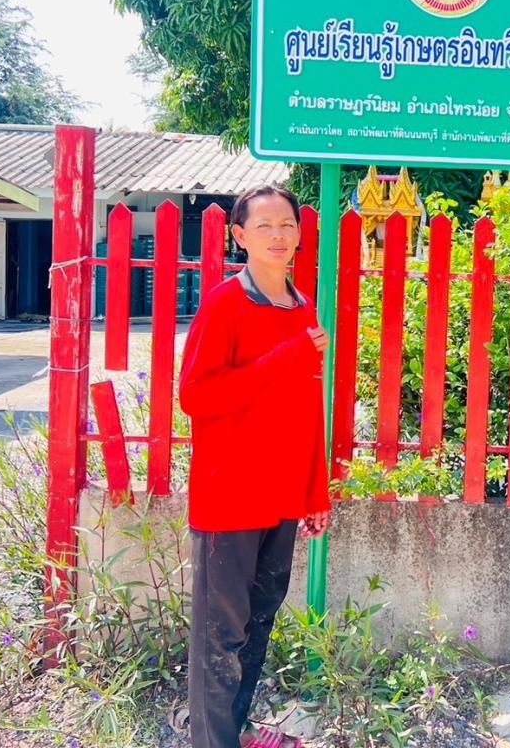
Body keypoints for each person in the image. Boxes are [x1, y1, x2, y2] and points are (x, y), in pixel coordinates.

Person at [179, 185, 332, 748]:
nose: (277, 235)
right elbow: (195, 396)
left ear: (300, 233)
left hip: (282, 496)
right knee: (219, 637)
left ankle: (232, 730)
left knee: (258, 622)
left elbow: (307, 407)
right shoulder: (225, 303)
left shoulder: (301, 304)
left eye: (287, 224)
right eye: (263, 226)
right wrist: (287, 355)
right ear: (239, 236)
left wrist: (314, 492)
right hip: (230, 497)